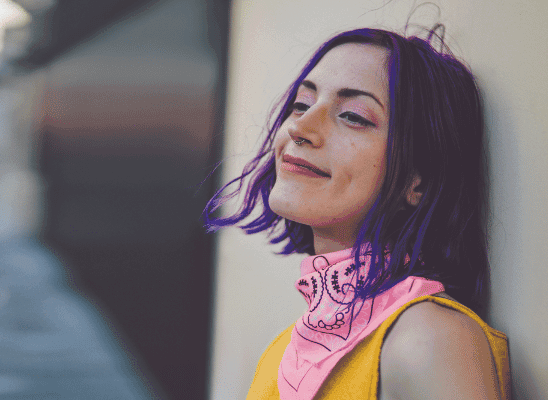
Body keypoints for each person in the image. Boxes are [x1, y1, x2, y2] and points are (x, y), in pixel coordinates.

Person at [204, 27, 510, 400]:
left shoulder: (428, 339)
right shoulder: (279, 352)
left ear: (419, 181)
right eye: (301, 104)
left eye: (352, 116)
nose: (300, 127)